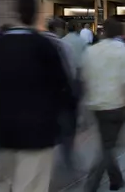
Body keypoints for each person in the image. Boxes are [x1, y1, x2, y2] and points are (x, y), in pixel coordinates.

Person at [0, 0, 72, 192]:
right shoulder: (45, 46)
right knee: (32, 185)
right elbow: (62, 87)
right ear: (36, 15)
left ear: (15, 13)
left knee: (13, 182)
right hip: (40, 132)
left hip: (7, 132)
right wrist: (70, 121)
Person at [81, 19, 125, 192]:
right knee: (108, 146)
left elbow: (84, 78)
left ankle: (116, 179)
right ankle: (92, 184)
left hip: (96, 104)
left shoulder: (90, 51)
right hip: (116, 104)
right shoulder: (122, 50)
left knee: (107, 142)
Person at [44, 18, 80, 172]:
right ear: (59, 29)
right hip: (61, 96)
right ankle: (68, 162)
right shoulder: (64, 45)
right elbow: (71, 70)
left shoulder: (37, 42)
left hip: (41, 97)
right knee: (66, 132)